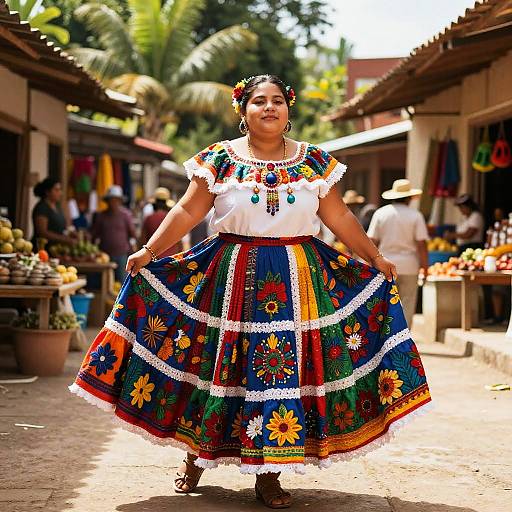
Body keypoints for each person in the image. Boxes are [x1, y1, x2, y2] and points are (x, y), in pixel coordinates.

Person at [70, 75, 431, 509]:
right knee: (214, 366)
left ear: (288, 109)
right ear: (243, 111)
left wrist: (374, 257)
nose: (269, 108)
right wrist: (149, 250)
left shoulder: (315, 162)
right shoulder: (219, 160)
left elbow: (339, 216)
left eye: (277, 101)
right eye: (259, 101)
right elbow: (188, 209)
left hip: (298, 279)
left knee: (278, 373)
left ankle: (269, 474)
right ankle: (195, 458)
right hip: (228, 278)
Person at [367, 179, 429, 328]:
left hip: (385, 264)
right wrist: (425, 267)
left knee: (386, 302)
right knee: (407, 302)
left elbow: (372, 240)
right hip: (410, 265)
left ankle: (387, 337)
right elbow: (422, 244)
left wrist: (370, 263)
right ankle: (405, 338)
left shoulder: (381, 213)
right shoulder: (416, 215)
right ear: (409, 198)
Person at [90, 185, 136, 283]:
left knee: (122, 281)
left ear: (120, 201)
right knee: (106, 282)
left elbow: (132, 234)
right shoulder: (101, 216)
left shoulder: (125, 215)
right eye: (111, 200)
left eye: (116, 200)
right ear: (107, 201)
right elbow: (94, 235)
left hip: (122, 254)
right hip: (105, 255)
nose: (113, 203)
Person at [32, 178, 76, 252]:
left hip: (56, 249)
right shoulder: (42, 207)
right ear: (47, 192)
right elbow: (42, 232)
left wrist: (71, 233)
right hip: (43, 249)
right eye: (56, 190)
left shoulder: (58, 206)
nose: (60, 193)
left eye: (60, 190)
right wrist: (64, 239)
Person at [141, 187, 182, 257]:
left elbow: (142, 241)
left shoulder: (149, 219)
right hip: (170, 260)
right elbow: (179, 243)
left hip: (154, 260)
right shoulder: (173, 218)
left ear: (154, 204)